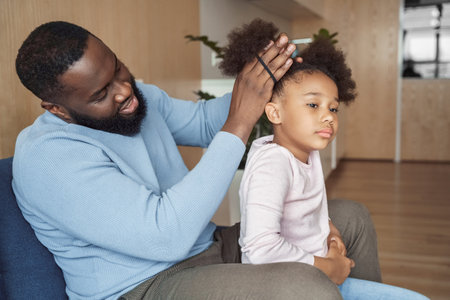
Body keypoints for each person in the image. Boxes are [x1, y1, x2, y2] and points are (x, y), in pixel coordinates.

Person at [13, 20, 378, 300]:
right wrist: (240, 121)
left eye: (118, 68)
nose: (125, 91)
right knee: (303, 286)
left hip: (210, 246)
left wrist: (270, 83)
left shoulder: (136, 100)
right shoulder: (49, 159)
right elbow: (166, 236)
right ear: (57, 109)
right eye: (101, 93)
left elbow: (205, 123)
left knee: (352, 220)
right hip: (147, 285)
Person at [223, 20, 429, 299]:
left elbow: (310, 209)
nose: (328, 116)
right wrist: (327, 267)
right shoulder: (272, 166)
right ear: (274, 113)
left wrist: (331, 232)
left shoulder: (308, 153)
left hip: (310, 273)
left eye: (333, 107)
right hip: (282, 285)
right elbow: (260, 248)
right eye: (313, 104)